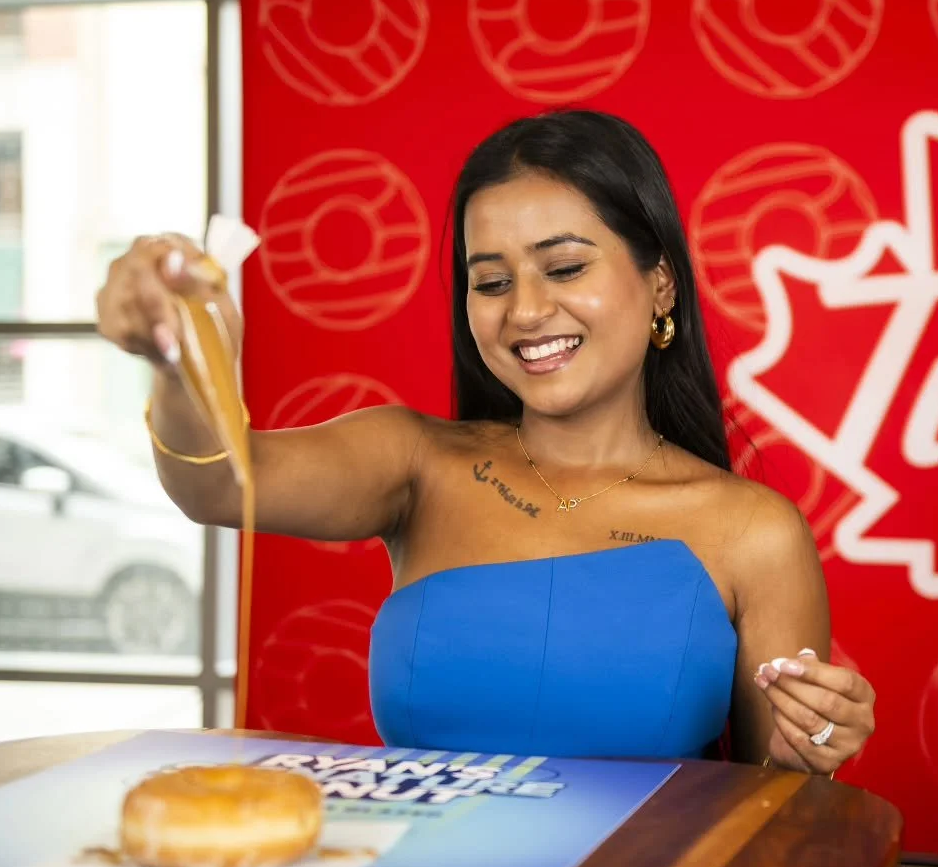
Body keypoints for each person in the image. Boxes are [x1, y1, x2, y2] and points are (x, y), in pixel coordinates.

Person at [96, 110, 876, 775]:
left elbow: (780, 818)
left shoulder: (754, 532)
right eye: (492, 282)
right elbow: (219, 484)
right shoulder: (415, 465)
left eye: (564, 267)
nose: (526, 312)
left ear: (661, 283)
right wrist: (176, 355)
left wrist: (810, 747)